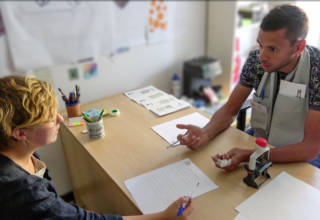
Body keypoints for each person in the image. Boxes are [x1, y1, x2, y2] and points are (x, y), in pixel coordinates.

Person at [0, 75, 193, 219]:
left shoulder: (19, 148)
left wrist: (66, 211)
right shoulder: (21, 190)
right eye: (50, 119)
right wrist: (163, 216)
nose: (59, 118)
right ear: (20, 133)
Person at [176, 4, 320, 170]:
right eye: (260, 45)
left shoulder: (316, 70)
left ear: (298, 47)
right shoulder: (256, 60)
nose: (262, 56)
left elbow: (310, 148)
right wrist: (205, 133)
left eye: (273, 49)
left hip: (299, 155)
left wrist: (250, 155)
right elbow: (230, 109)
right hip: (260, 141)